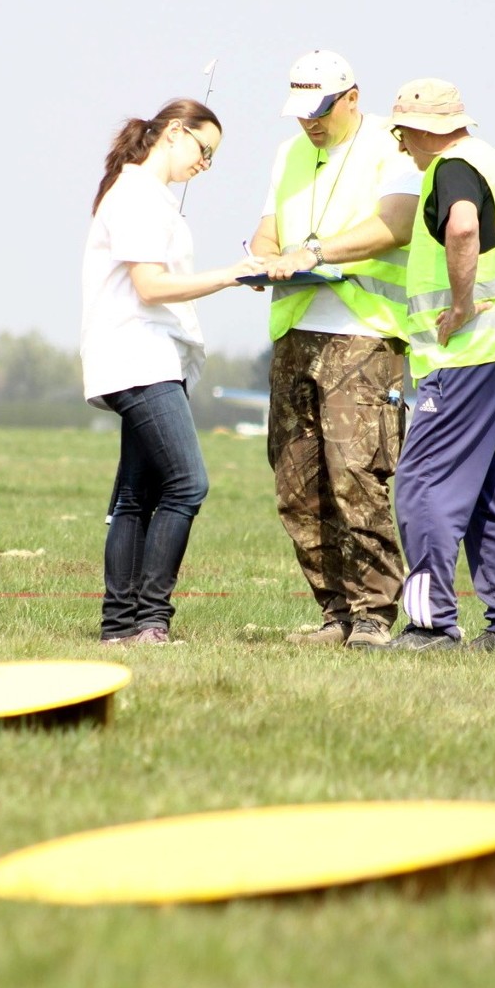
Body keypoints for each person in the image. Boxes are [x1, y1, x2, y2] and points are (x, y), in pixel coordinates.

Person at [380, 78, 495, 654]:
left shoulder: (450, 169)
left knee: (421, 483)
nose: (401, 147)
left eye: (400, 135)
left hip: (466, 354)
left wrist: (462, 305)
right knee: (494, 486)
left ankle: (431, 625)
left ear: (416, 131)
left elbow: (462, 226)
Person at [250, 50, 421, 648]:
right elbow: (267, 228)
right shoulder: (289, 152)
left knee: (355, 473)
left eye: (320, 111)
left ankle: (375, 615)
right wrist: (267, 258)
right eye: (300, 113)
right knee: (296, 482)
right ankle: (335, 615)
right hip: (295, 331)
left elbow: (395, 225)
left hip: (365, 332)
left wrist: (316, 253)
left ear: (352, 96)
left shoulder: (392, 145)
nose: (308, 123)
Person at [81, 98, 258, 645]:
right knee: (187, 484)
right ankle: (151, 621)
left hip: (152, 359)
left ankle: (120, 628)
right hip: (138, 359)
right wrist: (229, 275)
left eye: (212, 158)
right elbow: (150, 286)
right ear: (175, 133)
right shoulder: (135, 195)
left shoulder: (149, 196)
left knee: (137, 494)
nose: (205, 164)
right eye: (204, 150)